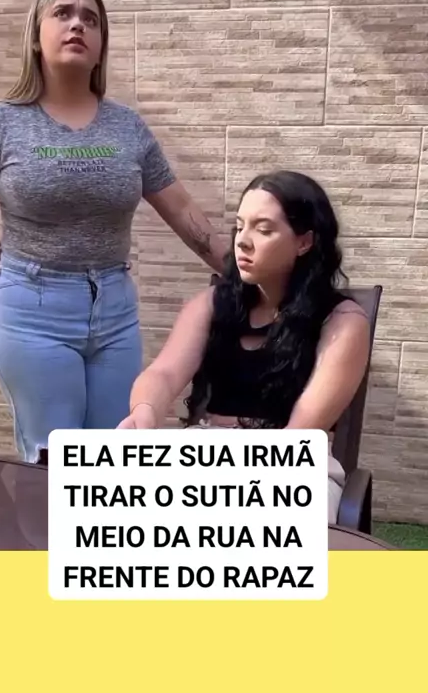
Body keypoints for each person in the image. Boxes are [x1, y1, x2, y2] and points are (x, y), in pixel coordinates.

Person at [0, 0, 227, 463]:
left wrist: (243, 273)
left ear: (100, 46)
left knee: (113, 459)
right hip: (33, 315)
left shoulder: (126, 126)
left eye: (91, 19)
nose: (77, 24)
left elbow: (182, 209)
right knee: (57, 463)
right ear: (36, 37)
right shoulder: (1, 123)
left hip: (115, 312)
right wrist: (16, 274)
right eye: (63, 13)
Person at [117, 170, 371, 524]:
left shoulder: (343, 322)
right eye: (240, 227)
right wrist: (145, 411)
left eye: (263, 230)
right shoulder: (212, 304)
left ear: (304, 242)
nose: (243, 241)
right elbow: (164, 372)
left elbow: (300, 432)